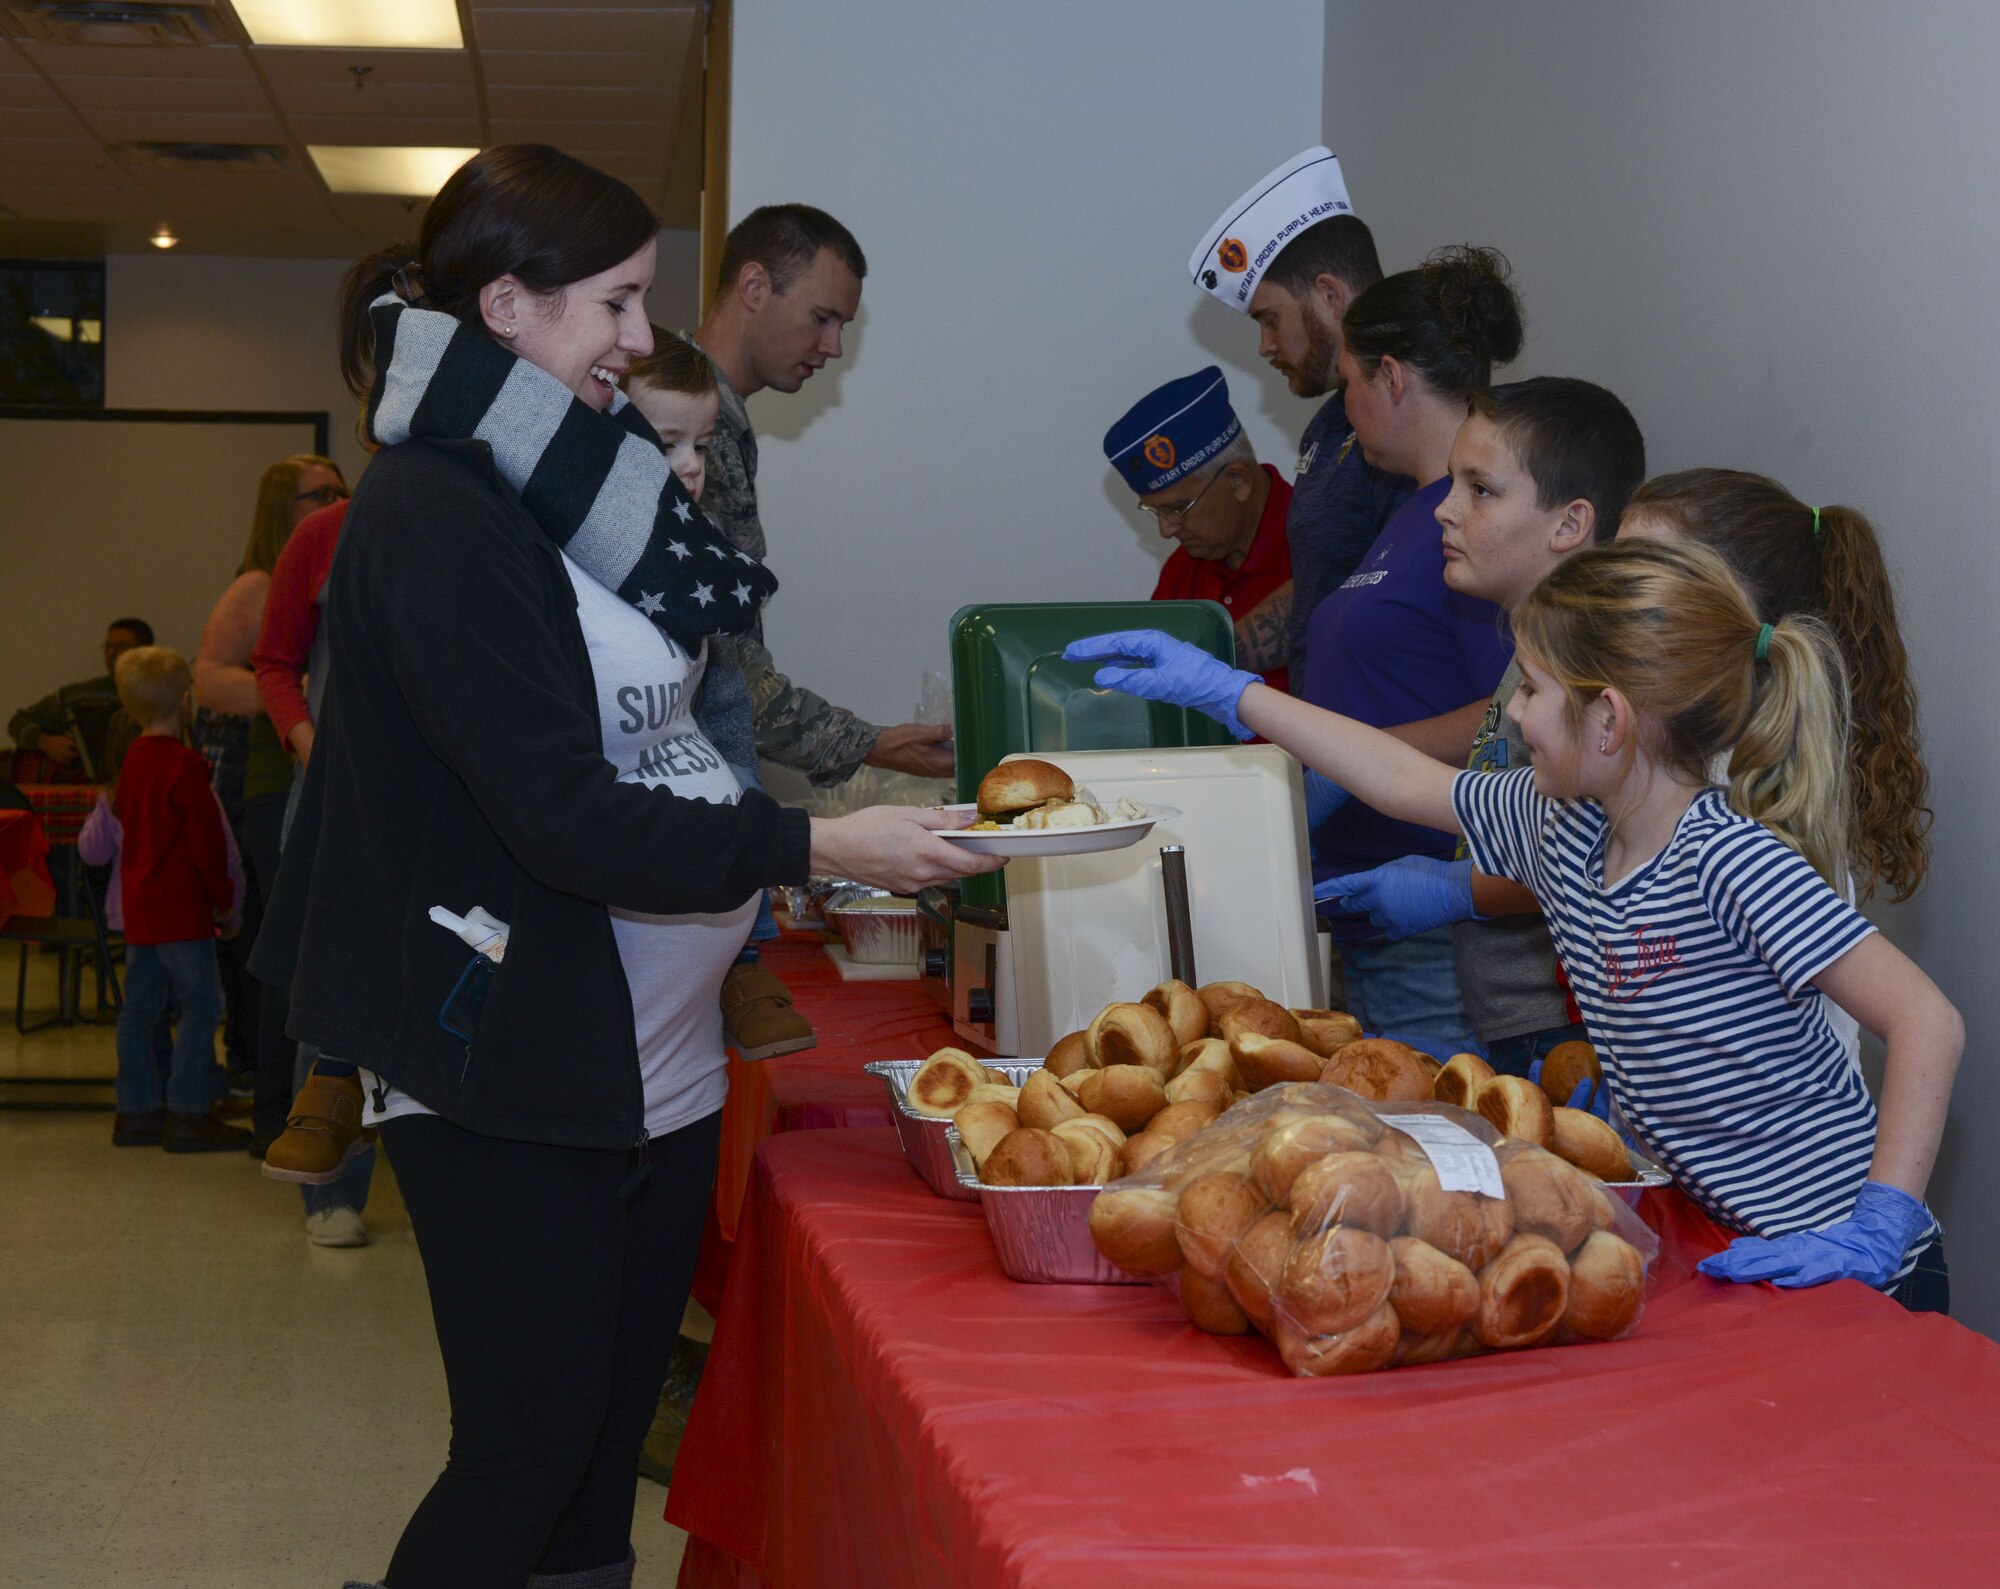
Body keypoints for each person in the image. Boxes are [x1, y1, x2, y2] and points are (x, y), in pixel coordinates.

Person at [250, 144, 997, 1589]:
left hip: (653, 1071)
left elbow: (687, 732)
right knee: (523, 1451)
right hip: (509, 1066)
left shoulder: (576, 485)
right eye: (615, 302)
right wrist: (815, 838)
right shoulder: (439, 514)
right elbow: (559, 815)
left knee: (596, 1454)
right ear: (511, 310)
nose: (643, 337)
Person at [1064, 535, 1962, 1313]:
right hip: (1730, 1238)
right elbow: (1400, 777)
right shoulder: (1560, 822)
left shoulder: (1730, 858)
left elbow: (1927, 1019)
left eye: (1529, 690)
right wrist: (1237, 695)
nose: (1514, 715)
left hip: (1849, 1265)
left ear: (1607, 719)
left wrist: (1880, 1224)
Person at [1316, 379, 1648, 1074]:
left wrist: (1454, 889)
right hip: (1513, 1015)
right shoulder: (1529, 659)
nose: (1444, 510)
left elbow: (1601, 863)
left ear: (1569, 524)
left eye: (1481, 490)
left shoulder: (1589, 673)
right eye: (1450, 484)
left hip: (1568, 1023)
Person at [1293, 245, 1524, 1049]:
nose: (1346, 405)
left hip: (1438, 915)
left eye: (1350, 381)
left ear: (1391, 377)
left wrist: (1358, 759)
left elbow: (1514, 713)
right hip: (1366, 911)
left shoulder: (1475, 531)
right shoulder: (1406, 512)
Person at [690, 203, 957, 785]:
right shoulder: (684, 425)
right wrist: (871, 744)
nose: (833, 347)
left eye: (843, 327)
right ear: (755, 287)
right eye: (822, 318)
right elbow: (717, 665)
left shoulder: (716, 416)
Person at [623, 329, 811, 1062]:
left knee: (740, 787)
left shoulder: (700, 555)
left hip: (698, 745)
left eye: (700, 447)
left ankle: (746, 963)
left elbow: (729, 704)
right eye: (668, 443)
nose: (690, 468)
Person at [1615, 470, 1930, 906]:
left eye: (1642, 578)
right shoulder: (1649, 743)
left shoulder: (1750, 802)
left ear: (1739, 605)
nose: (1607, 602)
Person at [1190, 147, 1412, 685]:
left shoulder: (1405, 421)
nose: (1265, 347)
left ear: (1329, 295)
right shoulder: (1329, 423)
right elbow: (1327, 584)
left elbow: (1403, 600)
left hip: (1384, 747)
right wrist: (1213, 655)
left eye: (1270, 319)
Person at [193, 452, 348, 1156]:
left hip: (313, 768)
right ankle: (277, 1119)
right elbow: (209, 678)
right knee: (286, 954)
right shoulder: (259, 581)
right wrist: (299, 714)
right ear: (282, 507)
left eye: (340, 488)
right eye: (321, 492)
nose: (336, 498)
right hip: (278, 778)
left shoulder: (345, 547)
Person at [247, 492, 379, 1247]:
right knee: (329, 988)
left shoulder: (480, 519)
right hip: (334, 789)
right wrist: (310, 747)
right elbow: (276, 659)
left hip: (441, 795)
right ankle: (329, 1192)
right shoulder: (323, 531)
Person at [106, 645, 247, 1153]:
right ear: (184, 701)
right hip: (182, 911)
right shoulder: (185, 765)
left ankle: (137, 1110)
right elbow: (206, 845)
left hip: (141, 910)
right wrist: (224, 903)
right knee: (202, 1007)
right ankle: (188, 1110)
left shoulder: (132, 762)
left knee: (139, 1010)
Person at [1102, 366, 1294, 692]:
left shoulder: (1325, 540)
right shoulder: (1181, 571)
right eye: (1155, 511)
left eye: (1177, 509)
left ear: (1238, 481)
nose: (1166, 530)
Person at [9, 616, 152, 780]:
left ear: (144, 652)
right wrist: (44, 742)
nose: (111, 653)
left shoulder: (162, 694)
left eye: (121, 646)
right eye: (108, 646)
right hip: (87, 793)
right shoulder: (78, 695)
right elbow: (18, 721)